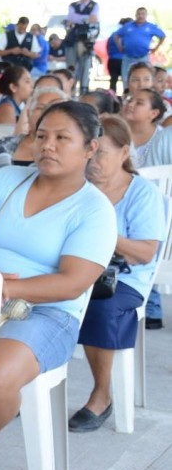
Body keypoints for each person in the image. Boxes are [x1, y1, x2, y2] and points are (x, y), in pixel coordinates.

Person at [0, 101, 116, 470]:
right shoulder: (8, 179)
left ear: (90, 148)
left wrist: (2, 288)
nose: (48, 146)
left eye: (62, 138)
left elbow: (73, 282)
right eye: (41, 136)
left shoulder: (94, 209)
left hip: (47, 312)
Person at [68, 115, 164, 432]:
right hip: (76, 271)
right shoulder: (76, 187)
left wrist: (104, 235)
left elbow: (146, 252)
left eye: (102, 153)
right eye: (89, 153)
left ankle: (101, 395)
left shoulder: (142, 194)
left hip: (124, 280)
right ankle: (15, 388)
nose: (92, 162)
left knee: (101, 306)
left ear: (124, 152)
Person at [0, 86, 70, 166]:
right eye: (40, 108)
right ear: (28, 114)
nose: (46, 112)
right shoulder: (5, 143)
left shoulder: (69, 149)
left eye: (53, 108)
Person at [115, 8, 165, 85]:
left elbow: (162, 36)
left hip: (143, 57)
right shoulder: (128, 26)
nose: (141, 16)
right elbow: (117, 36)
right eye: (139, 14)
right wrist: (119, 46)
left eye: (143, 14)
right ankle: (127, 95)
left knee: (146, 76)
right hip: (128, 57)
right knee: (126, 78)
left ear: (146, 15)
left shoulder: (150, 27)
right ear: (136, 15)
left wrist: (156, 48)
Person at [122, 88, 166, 167]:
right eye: (129, 100)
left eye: (139, 103)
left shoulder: (163, 138)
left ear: (154, 113)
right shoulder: (116, 131)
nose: (130, 104)